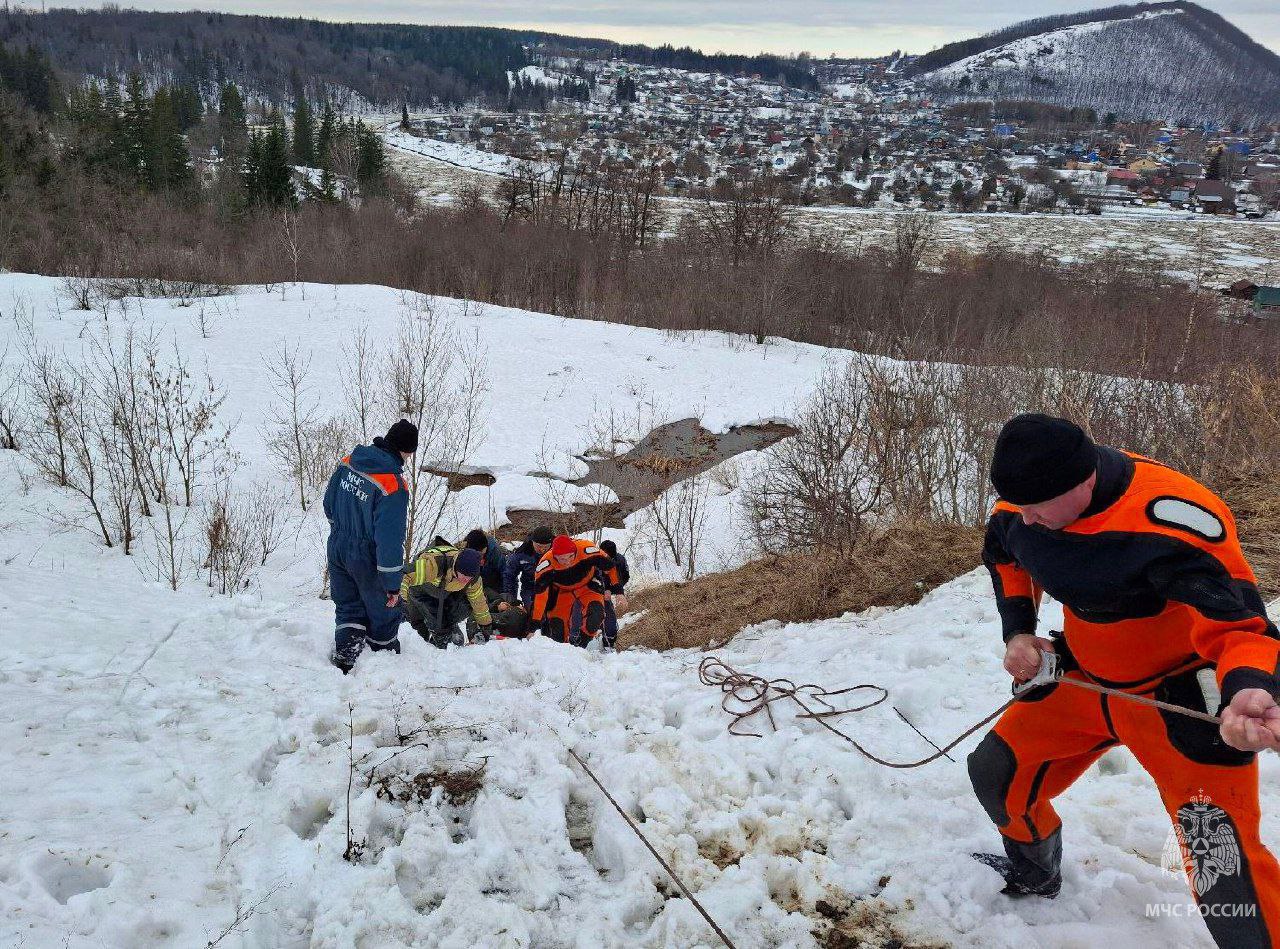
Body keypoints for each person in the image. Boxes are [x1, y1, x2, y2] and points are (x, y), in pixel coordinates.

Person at [969, 413, 1280, 947]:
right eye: (1020, 506)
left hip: (1174, 696)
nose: (1028, 519)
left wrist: (1246, 689)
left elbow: (1241, 627)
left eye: (1038, 509)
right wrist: (1018, 631)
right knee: (997, 774)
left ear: (1085, 481)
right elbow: (1004, 554)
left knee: (1222, 867)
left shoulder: (1172, 521)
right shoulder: (1028, 506)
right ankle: (1036, 872)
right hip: (1087, 681)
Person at [323, 419, 417, 674]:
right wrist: (392, 584)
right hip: (367, 556)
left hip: (338, 545)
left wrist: (340, 530)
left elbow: (329, 503)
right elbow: (389, 539)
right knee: (384, 612)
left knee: (348, 606)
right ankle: (381, 668)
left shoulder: (349, 461)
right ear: (406, 450)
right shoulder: (393, 485)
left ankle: (345, 660)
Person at [531, 534, 622, 647]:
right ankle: (563, 652)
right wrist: (534, 625)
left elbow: (610, 567)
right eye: (562, 559)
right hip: (562, 591)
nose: (567, 562)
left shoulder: (586, 549)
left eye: (570, 556)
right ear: (554, 556)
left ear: (575, 551)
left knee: (596, 614)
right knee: (558, 627)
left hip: (588, 585)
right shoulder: (545, 565)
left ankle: (580, 646)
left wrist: (619, 591)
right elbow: (540, 596)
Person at [401, 542, 493, 648]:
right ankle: (438, 641)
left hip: (445, 593)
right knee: (435, 631)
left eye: (469, 578)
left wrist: (486, 626)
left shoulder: (473, 578)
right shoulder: (434, 564)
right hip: (423, 592)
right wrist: (401, 598)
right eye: (463, 576)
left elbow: (478, 602)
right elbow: (405, 575)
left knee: (467, 605)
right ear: (456, 567)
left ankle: (448, 627)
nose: (465, 580)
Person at [572, 539, 630, 650]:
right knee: (579, 614)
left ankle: (609, 644)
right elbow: (591, 578)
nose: (608, 559)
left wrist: (616, 591)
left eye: (611, 557)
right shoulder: (593, 559)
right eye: (606, 556)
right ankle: (575, 641)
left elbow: (625, 577)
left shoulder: (620, 560)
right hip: (589, 591)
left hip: (608, 591)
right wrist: (604, 589)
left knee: (609, 618)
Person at [498, 526, 554, 639]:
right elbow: (509, 576)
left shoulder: (556, 550)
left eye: (546, 547)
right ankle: (530, 634)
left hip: (552, 587)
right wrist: (512, 600)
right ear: (532, 542)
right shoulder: (522, 553)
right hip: (530, 589)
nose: (542, 550)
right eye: (539, 546)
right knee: (533, 612)